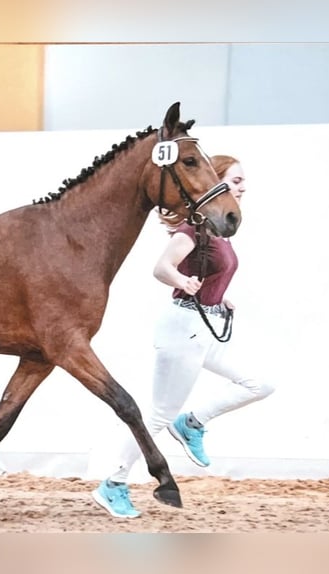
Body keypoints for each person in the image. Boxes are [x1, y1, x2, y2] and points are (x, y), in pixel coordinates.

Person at [91, 154, 275, 518]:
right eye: (236, 181)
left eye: (242, 181)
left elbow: (211, 272)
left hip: (205, 327)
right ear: (216, 182)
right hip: (184, 329)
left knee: (260, 383)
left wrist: (221, 296)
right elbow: (161, 268)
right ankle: (112, 483)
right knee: (158, 414)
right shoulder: (193, 229)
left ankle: (192, 423)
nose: (243, 187)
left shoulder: (218, 229)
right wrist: (182, 281)